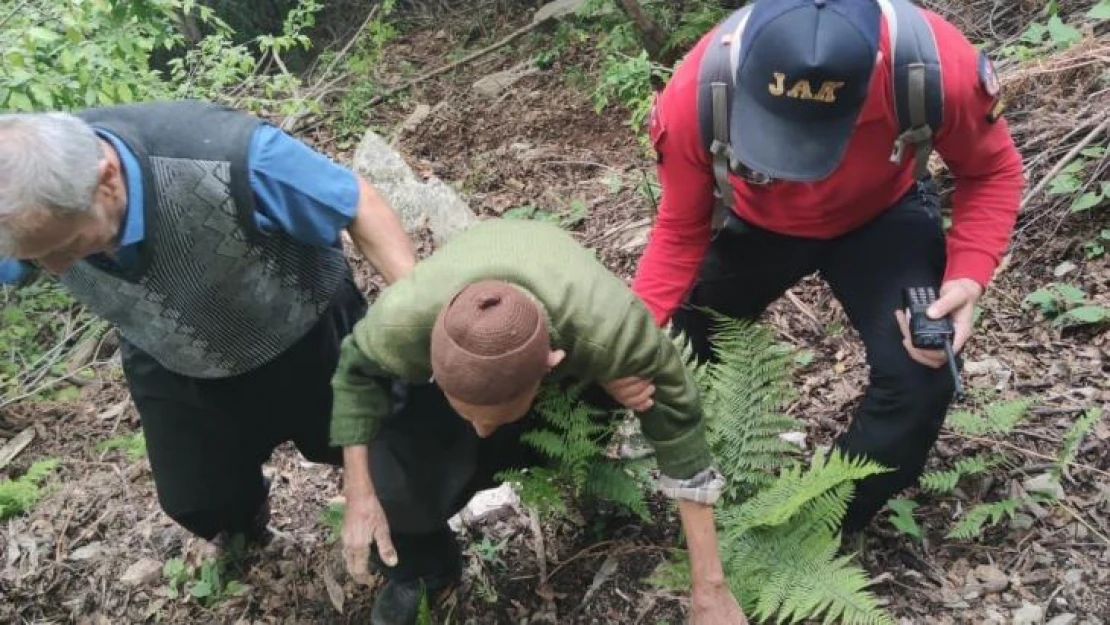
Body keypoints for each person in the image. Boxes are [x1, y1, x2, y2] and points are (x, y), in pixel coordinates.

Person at [632, 0, 1024, 536]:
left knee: (921, 376)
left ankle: (816, 527)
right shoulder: (699, 95)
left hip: (883, 217)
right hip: (757, 223)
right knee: (671, 342)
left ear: (872, 77)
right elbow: (680, 230)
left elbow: (993, 168)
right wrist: (631, 342)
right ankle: (681, 476)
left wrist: (966, 276)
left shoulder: (932, 68)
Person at [0, 101, 417, 552]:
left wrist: (420, 311)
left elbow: (357, 204)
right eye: (36, 258)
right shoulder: (26, 211)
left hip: (301, 322)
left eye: (68, 246)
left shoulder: (230, 157)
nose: (56, 269)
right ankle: (245, 531)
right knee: (197, 497)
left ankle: (416, 557)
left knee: (387, 451)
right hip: (169, 348)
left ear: (107, 180)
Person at [329, 218, 746, 625]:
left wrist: (710, 588)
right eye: (471, 416)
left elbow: (680, 429)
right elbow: (355, 372)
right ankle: (428, 569)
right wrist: (360, 489)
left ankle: (581, 472)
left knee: (630, 385)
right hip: (478, 357)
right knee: (393, 481)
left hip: (569, 344)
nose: (481, 429)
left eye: (491, 421)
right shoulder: (402, 322)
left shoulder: (612, 330)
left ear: (553, 364)